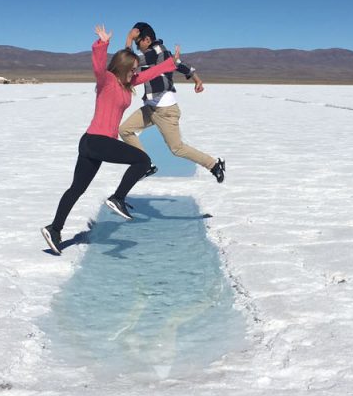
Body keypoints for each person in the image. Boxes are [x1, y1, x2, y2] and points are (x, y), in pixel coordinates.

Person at [41, 24, 182, 255]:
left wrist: (170, 64)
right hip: (96, 140)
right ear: (123, 66)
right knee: (142, 161)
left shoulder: (128, 83)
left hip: (92, 143)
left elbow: (148, 74)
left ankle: (54, 230)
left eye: (136, 69)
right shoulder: (106, 80)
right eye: (132, 68)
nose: (135, 72)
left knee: (77, 188)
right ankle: (117, 198)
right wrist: (102, 44)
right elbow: (98, 65)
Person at [119, 22, 225, 183]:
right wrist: (197, 79)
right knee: (125, 130)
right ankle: (146, 165)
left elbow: (130, 61)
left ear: (147, 39)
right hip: (152, 108)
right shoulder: (160, 54)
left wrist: (128, 39)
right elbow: (180, 66)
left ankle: (214, 165)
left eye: (137, 42)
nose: (136, 46)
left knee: (177, 148)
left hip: (166, 111)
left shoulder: (156, 51)